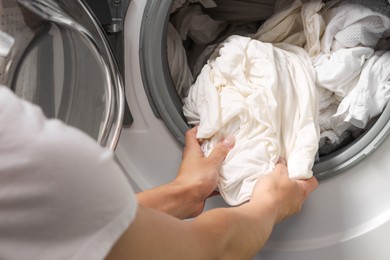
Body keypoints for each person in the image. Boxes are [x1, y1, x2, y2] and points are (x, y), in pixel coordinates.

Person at [0, 86, 318, 260]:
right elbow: (210, 251)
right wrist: (271, 203)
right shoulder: (30, 155)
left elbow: (55, 227)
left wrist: (184, 191)